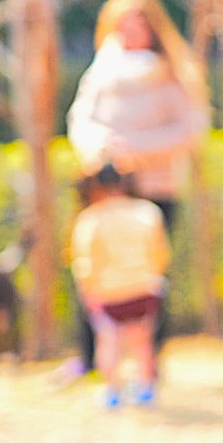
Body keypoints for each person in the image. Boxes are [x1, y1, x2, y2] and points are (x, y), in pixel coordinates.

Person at [60, 0, 210, 382]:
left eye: (139, 24)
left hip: (156, 187)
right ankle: (90, 358)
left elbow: (190, 130)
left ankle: (149, 362)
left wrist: (137, 151)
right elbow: (81, 119)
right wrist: (102, 150)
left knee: (151, 278)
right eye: (124, 24)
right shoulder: (101, 72)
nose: (131, 32)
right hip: (105, 189)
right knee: (91, 269)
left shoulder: (171, 72)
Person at [70, 165, 171, 408]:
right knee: (143, 342)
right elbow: (161, 254)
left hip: (108, 293)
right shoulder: (148, 212)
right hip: (144, 290)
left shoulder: (90, 219)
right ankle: (146, 390)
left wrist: (88, 290)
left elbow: (84, 262)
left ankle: (113, 391)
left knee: (109, 343)